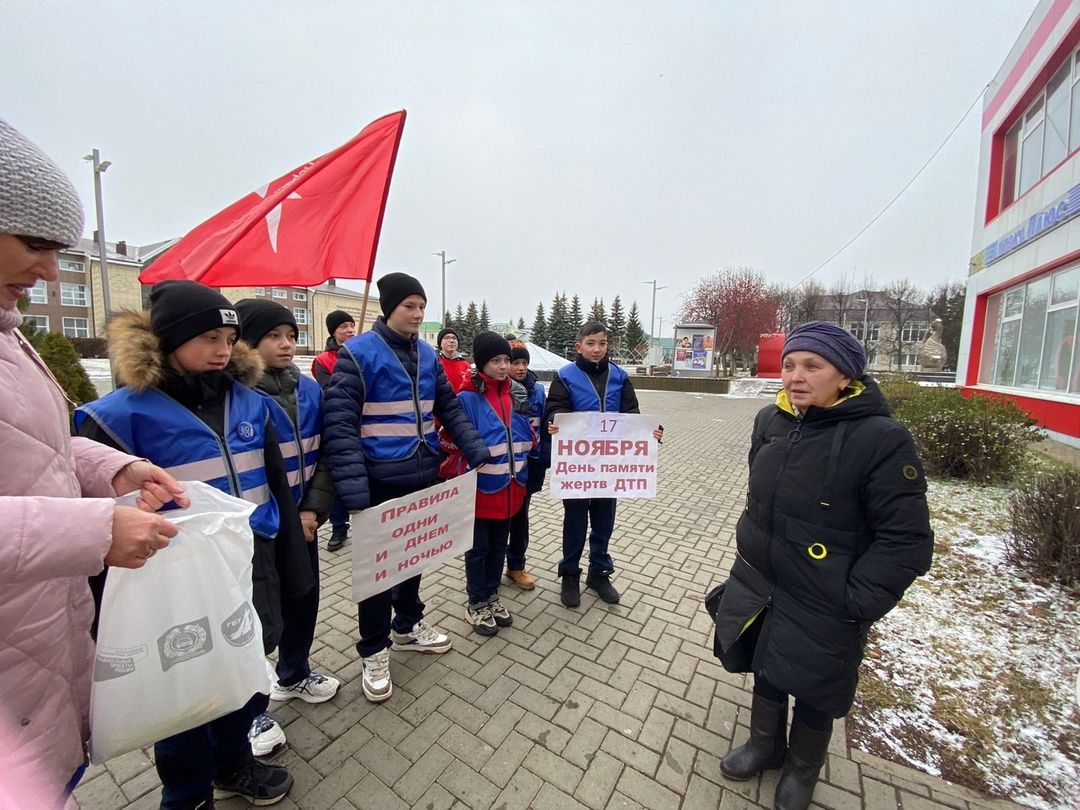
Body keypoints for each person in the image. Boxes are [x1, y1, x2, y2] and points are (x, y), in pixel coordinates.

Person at [0, 117, 188, 808]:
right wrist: (96, 532)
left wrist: (115, 471)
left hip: (35, 638)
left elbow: (37, 447)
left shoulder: (11, 338)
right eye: (35, 244)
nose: (51, 270)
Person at [75, 281, 314, 808]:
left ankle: (233, 763)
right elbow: (94, 513)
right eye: (208, 337)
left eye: (229, 337)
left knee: (243, 672)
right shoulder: (116, 417)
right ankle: (186, 793)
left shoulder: (251, 404)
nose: (223, 350)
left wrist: (293, 567)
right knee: (184, 689)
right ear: (166, 340)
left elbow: (276, 484)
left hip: (254, 563)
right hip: (173, 582)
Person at [713, 321, 933, 810]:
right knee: (768, 662)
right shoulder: (771, 420)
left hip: (827, 593)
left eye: (813, 365)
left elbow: (907, 540)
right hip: (763, 579)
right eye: (790, 364)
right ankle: (765, 746)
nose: (796, 375)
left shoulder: (881, 438)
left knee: (817, 682)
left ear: (845, 376)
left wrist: (856, 599)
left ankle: (802, 768)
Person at [323, 272, 488, 702]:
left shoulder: (429, 356)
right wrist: (354, 492)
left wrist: (476, 449)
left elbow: (448, 406)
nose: (417, 315)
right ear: (388, 308)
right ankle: (374, 650)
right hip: (378, 480)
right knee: (377, 573)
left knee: (414, 555)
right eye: (409, 306)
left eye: (422, 307)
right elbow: (339, 427)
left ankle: (408, 625)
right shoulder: (356, 354)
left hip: (422, 475)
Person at [234, 298, 341, 756]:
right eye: (274, 336)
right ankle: (249, 708)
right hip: (256, 529)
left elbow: (329, 452)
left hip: (305, 521)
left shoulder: (312, 389)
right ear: (248, 343)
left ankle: (293, 674)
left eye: (291, 335)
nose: (286, 345)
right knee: (255, 615)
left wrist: (313, 510)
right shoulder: (236, 397)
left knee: (304, 597)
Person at [544, 320, 662, 608]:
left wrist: (650, 433)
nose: (597, 349)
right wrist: (554, 423)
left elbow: (632, 415)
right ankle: (570, 573)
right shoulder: (565, 376)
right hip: (578, 468)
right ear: (579, 346)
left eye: (603, 343)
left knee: (603, 522)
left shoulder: (620, 376)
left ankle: (599, 572)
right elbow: (555, 409)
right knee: (574, 522)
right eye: (591, 343)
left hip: (610, 468)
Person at [442, 332, 535, 634]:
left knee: (498, 548)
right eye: (496, 360)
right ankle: (476, 602)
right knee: (478, 550)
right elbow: (449, 438)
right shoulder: (467, 398)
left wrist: (537, 435)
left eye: (506, 360)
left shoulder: (517, 396)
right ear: (481, 364)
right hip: (481, 491)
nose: (503, 366)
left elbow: (527, 436)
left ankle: (493, 596)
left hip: (511, 489)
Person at [312, 309, 356, 551]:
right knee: (340, 480)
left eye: (351, 325)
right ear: (333, 332)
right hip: (338, 427)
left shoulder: (363, 353)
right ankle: (339, 526)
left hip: (363, 425)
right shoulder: (323, 361)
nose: (349, 330)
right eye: (343, 327)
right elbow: (328, 392)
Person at [505, 337, 546, 590]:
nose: (520, 368)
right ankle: (491, 567)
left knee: (521, 516)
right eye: (514, 362)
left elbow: (547, 419)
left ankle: (516, 566)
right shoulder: (497, 388)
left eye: (524, 362)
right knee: (498, 519)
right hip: (501, 466)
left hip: (529, 464)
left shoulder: (538, 390)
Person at [436, 326, 470, 393]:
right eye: (446, 338)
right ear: (440, 343)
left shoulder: (465, 365)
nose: (451, 341)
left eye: (454, 338)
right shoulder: (435, 362)